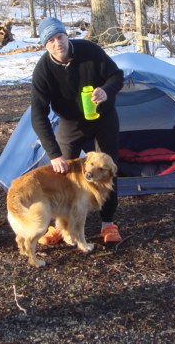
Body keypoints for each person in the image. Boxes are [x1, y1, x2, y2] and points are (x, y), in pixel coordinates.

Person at [31, 17, 124, 244]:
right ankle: (60, 224)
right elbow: (38, 115)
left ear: (67, 36)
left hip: (103, 118)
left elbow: (117, 76)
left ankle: (108, 223)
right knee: (62, 172)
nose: (57, 43)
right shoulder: (43, 71)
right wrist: (54, 154)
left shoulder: (89, 51)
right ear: (45, 45)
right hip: (71, 122)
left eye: (60, 37)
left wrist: (106, 91)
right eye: (51, 40)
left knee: (107, 168)